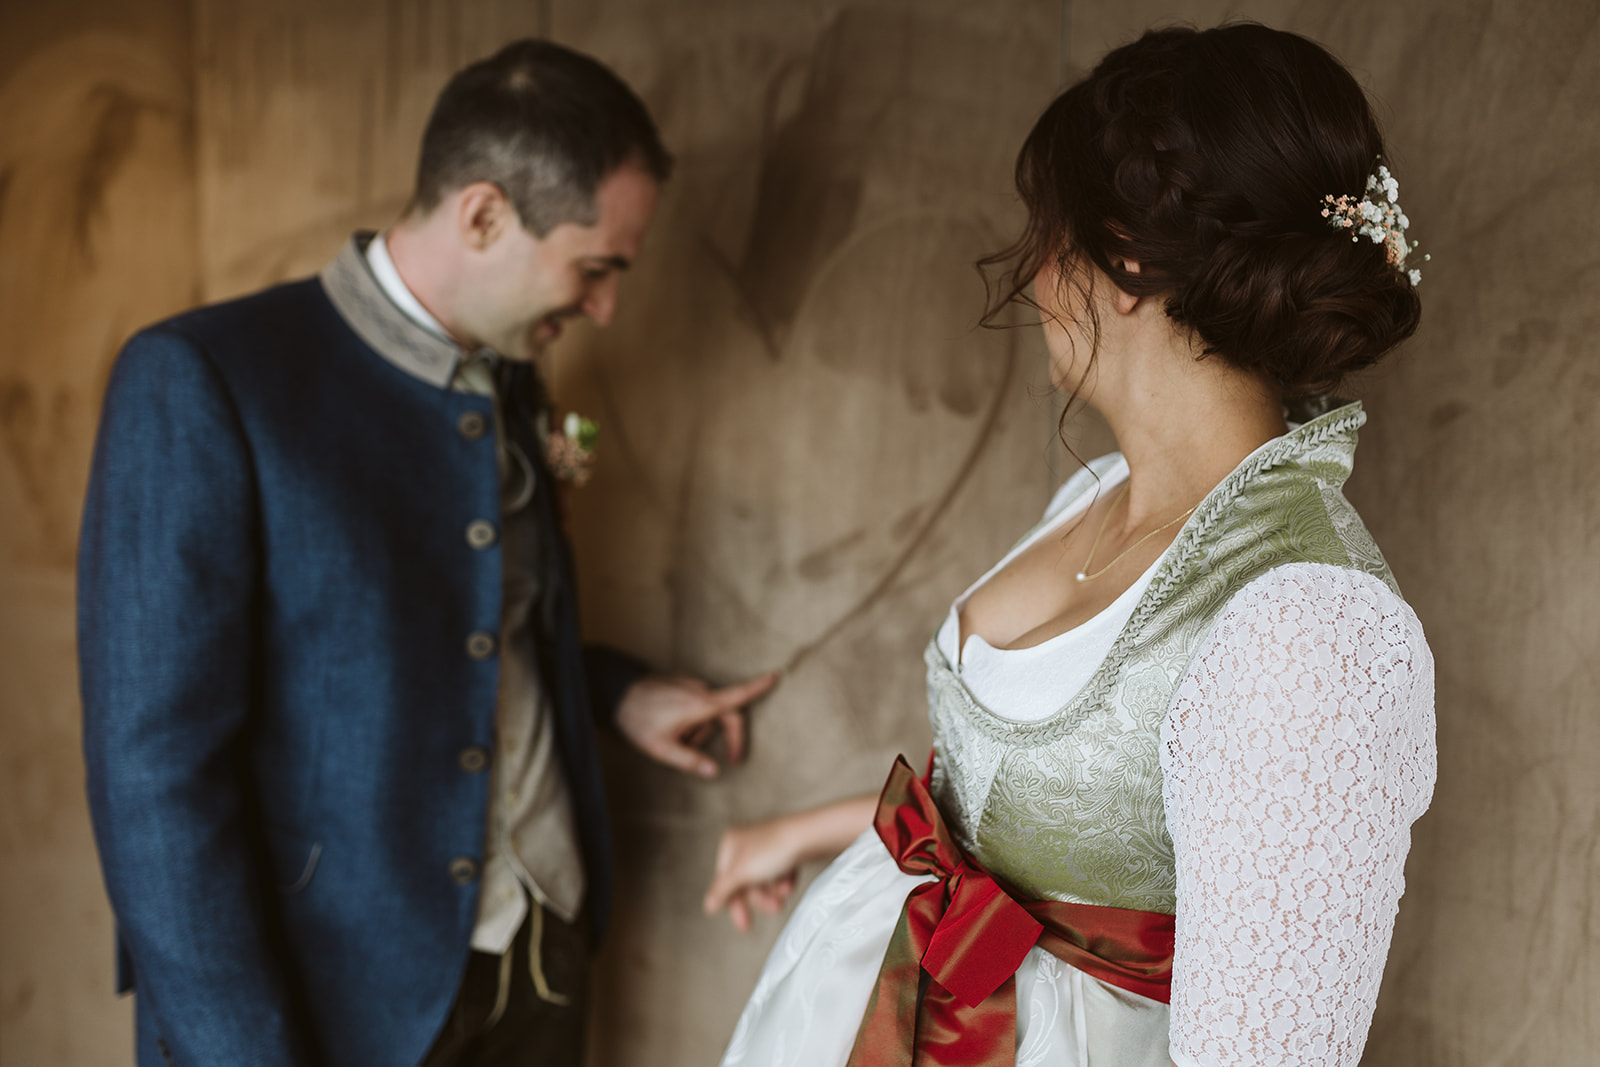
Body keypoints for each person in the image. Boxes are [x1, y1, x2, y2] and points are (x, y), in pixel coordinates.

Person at [703, 23, 1436, 1067]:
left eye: (1046, 230)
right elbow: (1032, 797)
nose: (1033, 270)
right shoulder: (1091, 492)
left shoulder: (1307, 629)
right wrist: (807, 830)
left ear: (1125, 258)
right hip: (865, 1002)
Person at [79, 39, 774, 1067]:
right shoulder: (204, 378)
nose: (604, 309)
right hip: (329, 995)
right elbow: (154, 779)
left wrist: (613, 690)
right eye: (595, 268)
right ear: (484, 214)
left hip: (540, 953)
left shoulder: (511, 373)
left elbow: (446, 629)